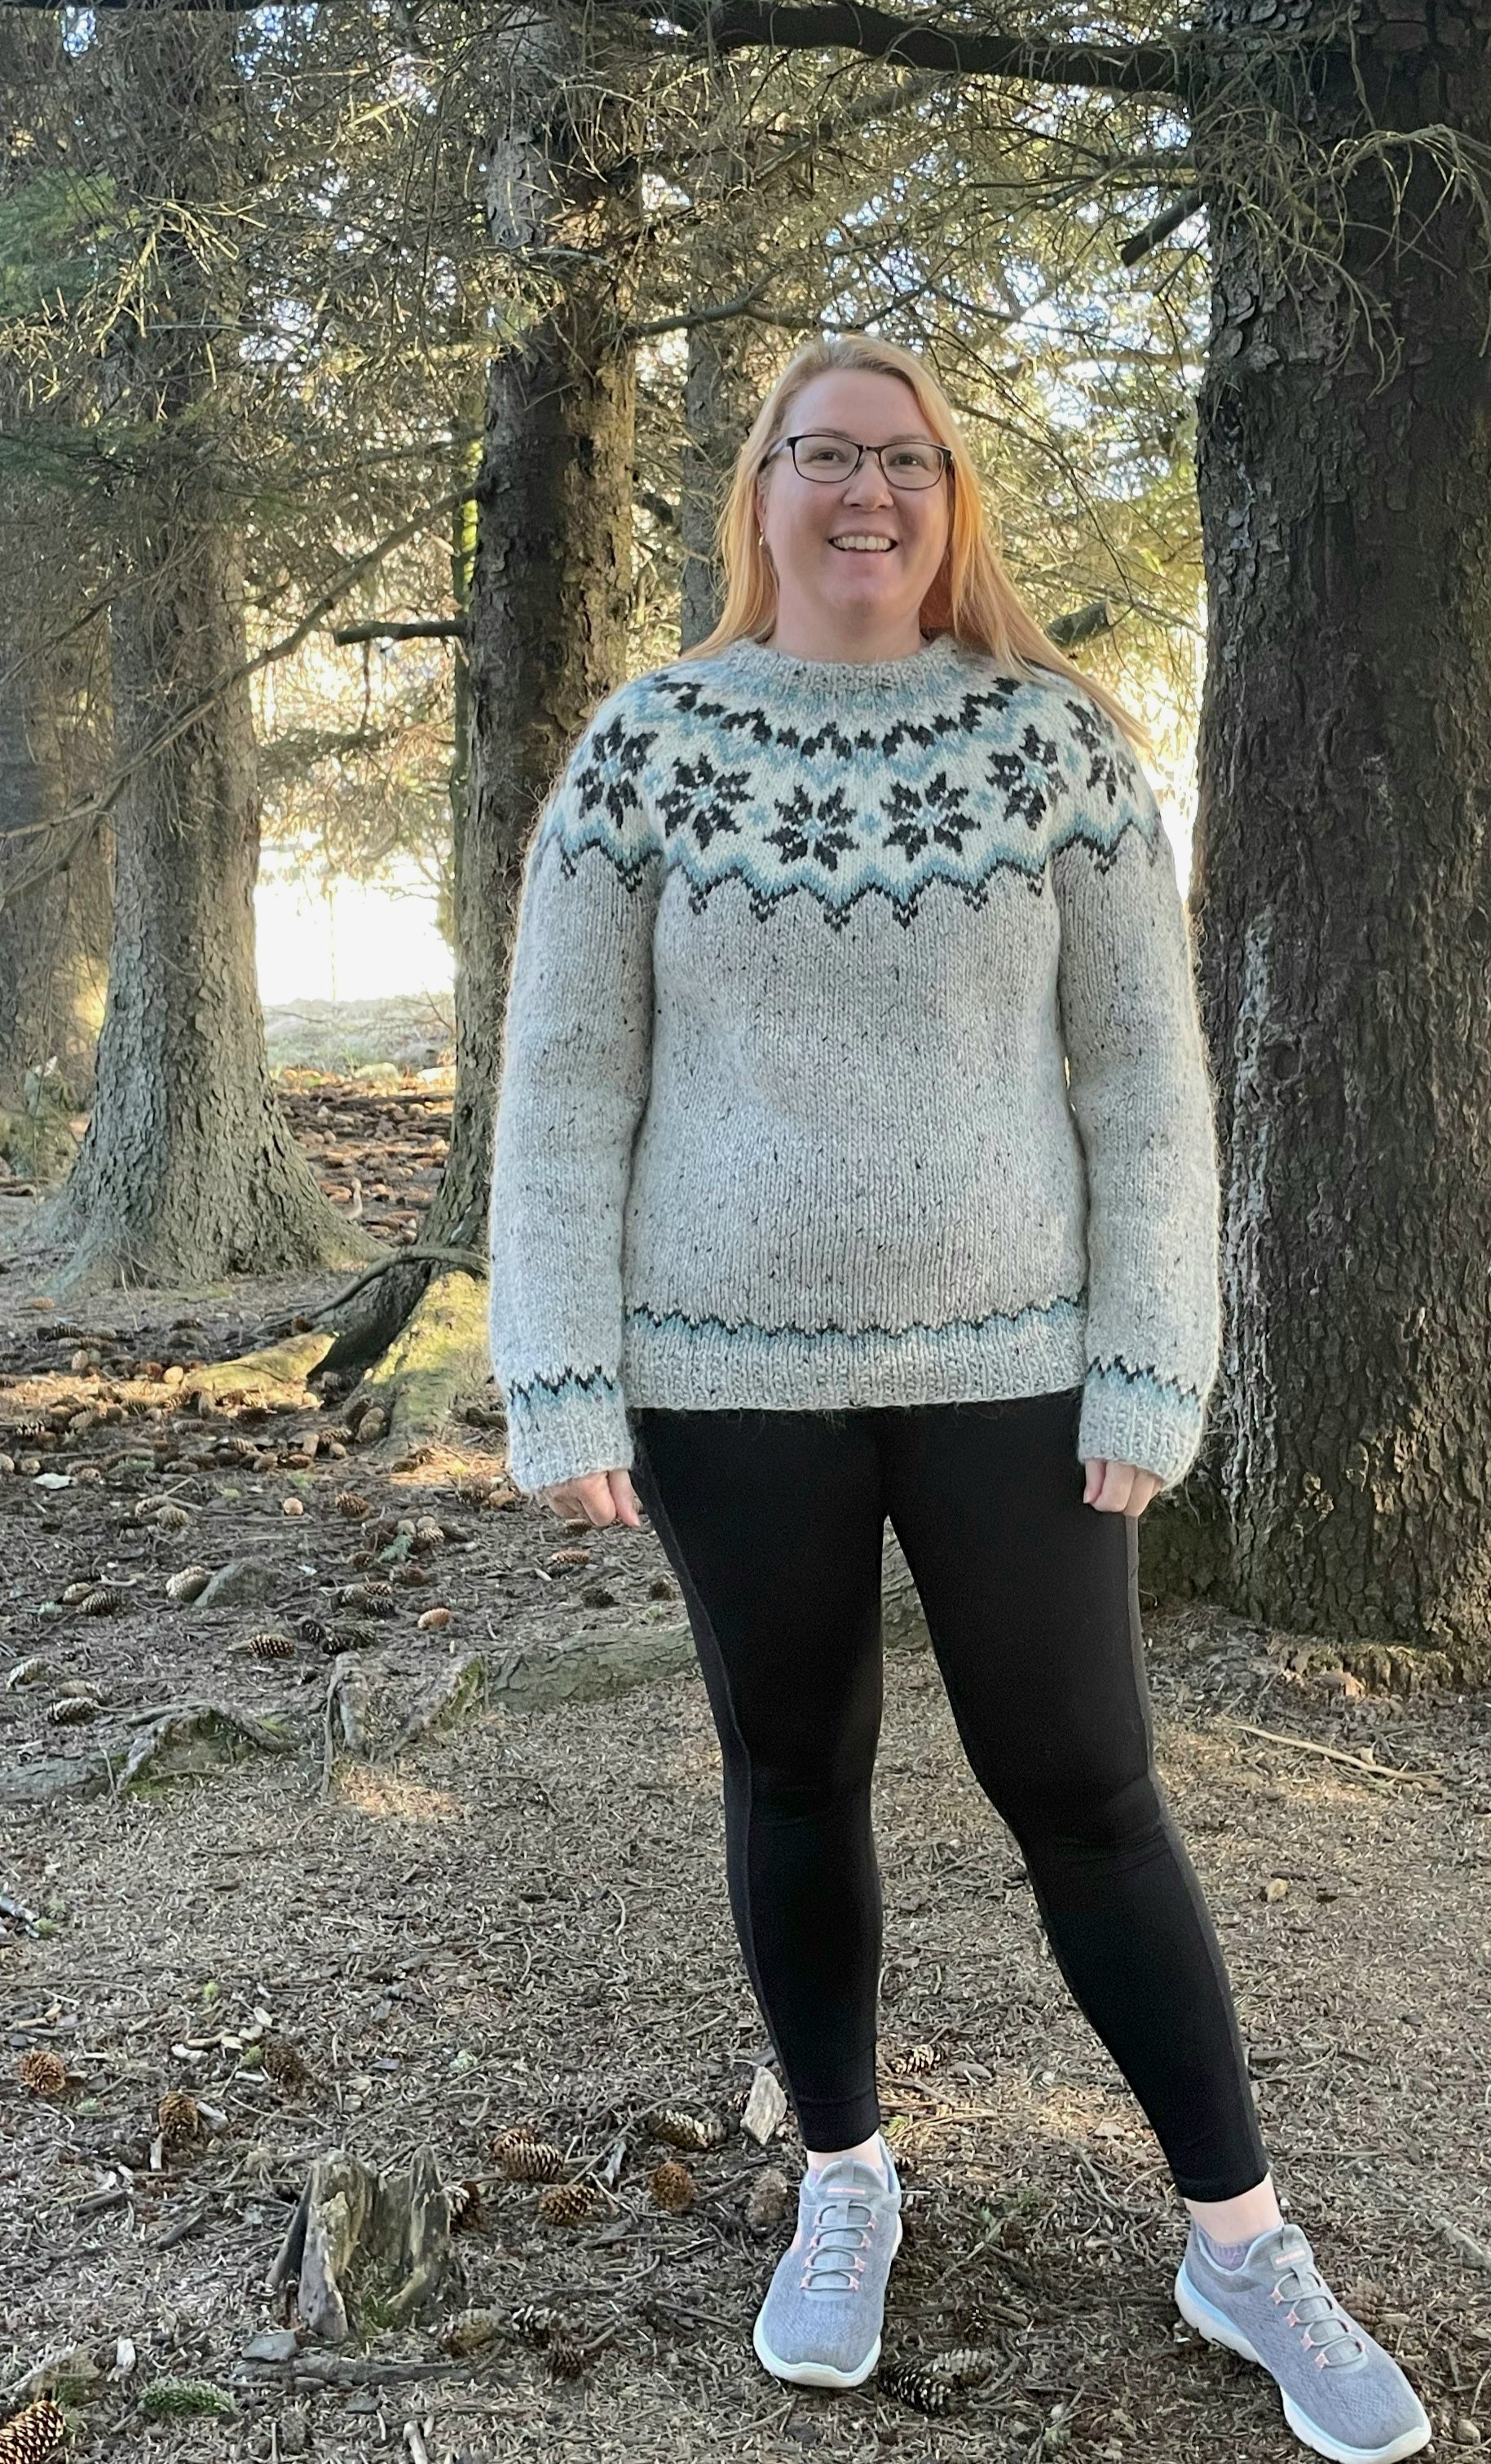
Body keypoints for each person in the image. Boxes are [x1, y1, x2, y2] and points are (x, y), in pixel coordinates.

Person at [488, 333, 1432, 2464]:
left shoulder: (1051, 749)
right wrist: (559, 1379)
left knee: (1088, 1789)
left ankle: (1238, 2233)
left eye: (900, 460)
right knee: (793, 1770)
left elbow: (1142, 1086)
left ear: (948, 499)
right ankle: (844, 2173)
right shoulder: (646, 756)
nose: (863, 494)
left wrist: (1146, 1358)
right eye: (822, 455)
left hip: (1017, 1371)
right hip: (724, 1377)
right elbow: (563, 1090)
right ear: (759, 491)